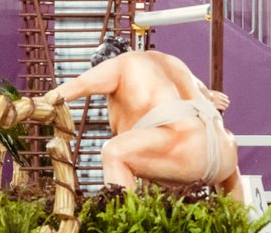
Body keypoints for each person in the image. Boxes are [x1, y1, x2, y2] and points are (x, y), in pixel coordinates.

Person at [43, 40, 243, 200]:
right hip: (225, 154)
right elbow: (205, 94)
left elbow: (79, 85)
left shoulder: (119, 65)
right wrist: (210, 95)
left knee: (114, 152)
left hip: (187, 153)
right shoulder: (171, 62)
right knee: (216, 150)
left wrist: (38, 102)